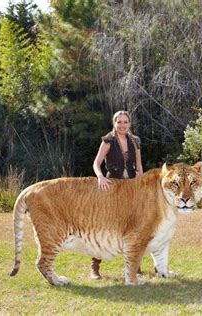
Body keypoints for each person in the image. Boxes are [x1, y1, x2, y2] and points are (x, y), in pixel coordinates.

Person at [91, 110, 144, 280]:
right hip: (112, 188)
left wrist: (140, 181)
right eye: (119, 122)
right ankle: (95, 266)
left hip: (130, 188)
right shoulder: (108, 140)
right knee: (105, 226)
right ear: (114, 123)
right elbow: (97, 163)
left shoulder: (135, 141)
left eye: (125, 122)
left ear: (130, 124)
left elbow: (139, 165)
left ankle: (134, 265)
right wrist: (99, 177)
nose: (122, 125)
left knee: (132, 226)